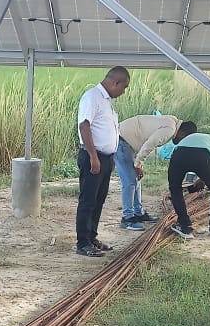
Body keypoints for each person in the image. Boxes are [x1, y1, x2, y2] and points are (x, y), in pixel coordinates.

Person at [75, 66, 130, 256]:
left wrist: (111, 156)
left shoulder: (107, 101)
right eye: (124, 87)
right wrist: (93, 156)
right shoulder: (92, 97)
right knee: (88, 200)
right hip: (93, 156)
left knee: (99, 200)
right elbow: (84, 126)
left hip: (105, 158)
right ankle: (83, 243)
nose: (123, 92)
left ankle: (92, 237)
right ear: (116, 82)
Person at [115, 112, 180, 229]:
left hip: (127, 142)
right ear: (183, 132)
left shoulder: (171, 121)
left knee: (136, 180)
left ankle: (138, 213)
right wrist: (138, 164)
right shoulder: (170, 129)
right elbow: (150, 144)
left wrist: (139, 164)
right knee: (129, 182)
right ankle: (127, 218)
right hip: (122, 141)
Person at [167, 121, 210, 239]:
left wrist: (202, 178)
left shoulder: (189, 139)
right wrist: (205, 178)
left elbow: (189, 159)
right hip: (203, 156)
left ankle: (185, 227)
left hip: (179, 153)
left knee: (175, 189)